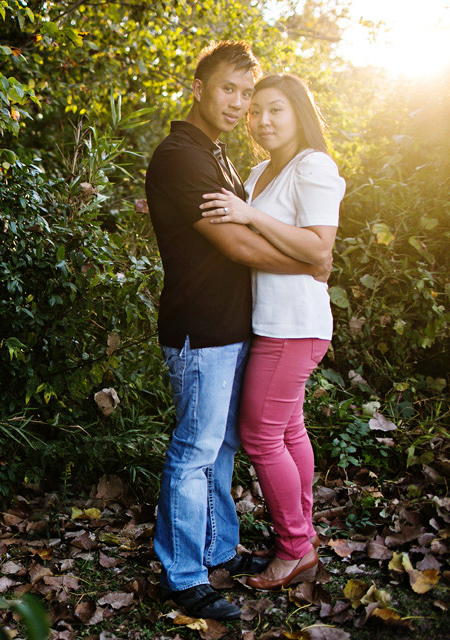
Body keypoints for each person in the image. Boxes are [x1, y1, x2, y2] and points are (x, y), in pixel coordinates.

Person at [145, 42, 331, 621]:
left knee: (221, 446)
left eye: (247, 93)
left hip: (235, 326)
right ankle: (183, 574)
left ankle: (219, 548)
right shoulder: (181, 156)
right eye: (229, 89)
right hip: (200, 326)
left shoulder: (220, 155)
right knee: (195, 449)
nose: (239, 103)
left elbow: (255, 231)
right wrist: (310, 260)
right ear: (198, 87)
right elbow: (234, 243)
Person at [199, 74, 346, 590]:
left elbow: (316, 250)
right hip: (269, 322)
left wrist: (246, 214)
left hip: (295, 324)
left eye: (276, 109)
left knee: (260, 436)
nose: (262, 121)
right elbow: (233, 230)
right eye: (256, 111)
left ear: (299, 112)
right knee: (287, 431)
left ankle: (294, 550)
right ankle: (300, 535)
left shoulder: (314, 167)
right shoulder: (261, 172)